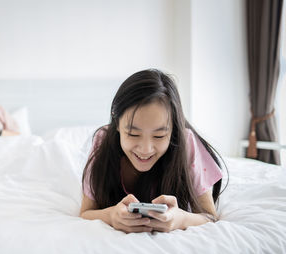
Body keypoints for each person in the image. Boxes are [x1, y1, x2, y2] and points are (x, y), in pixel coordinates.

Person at [80, 69, 226, 234]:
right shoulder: (103, 141)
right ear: (117, 123)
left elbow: (210, 216)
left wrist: (180, 219)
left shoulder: (186, 144)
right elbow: (85, 213)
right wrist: (111, 216)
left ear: (173, 130)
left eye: (159, 135)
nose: (145, 149)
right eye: (133, 134)